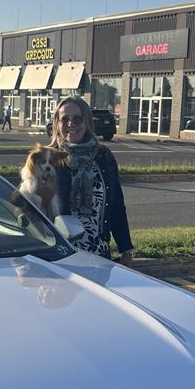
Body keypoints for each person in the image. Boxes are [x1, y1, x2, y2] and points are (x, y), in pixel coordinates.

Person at [46, 96, 134, 266]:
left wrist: (126, 248)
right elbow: (28, 206)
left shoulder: (103, 156)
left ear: (87, 122)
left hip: (99, 255)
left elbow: (116, 205)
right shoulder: (47, 159)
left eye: (77, 119)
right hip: (59, 256)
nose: (71, 124)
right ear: (57, 123)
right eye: (65, 119)